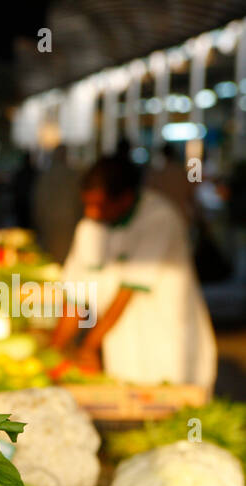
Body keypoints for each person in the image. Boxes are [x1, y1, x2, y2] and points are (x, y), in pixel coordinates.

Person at [51, 155, 216, 390]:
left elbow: (127, 292)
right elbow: (76, 294)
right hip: (122, 352)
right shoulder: (89, 228)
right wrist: (54, 352)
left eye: (99, 205)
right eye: (86, 204)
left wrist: (88, 347)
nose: (92, 213)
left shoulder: (159, 219)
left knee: (170, 406)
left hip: (168, 347)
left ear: (125, 198)